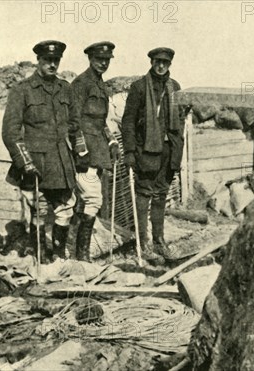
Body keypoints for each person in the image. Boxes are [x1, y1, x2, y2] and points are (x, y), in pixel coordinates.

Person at [2, 40, 79, 262]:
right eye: (48, 60)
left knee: (65, 209)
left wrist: (80, 153)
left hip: (61, 163)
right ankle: (39, 256)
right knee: (39, 211)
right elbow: (10, 131)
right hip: (35, 163)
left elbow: (74, 125)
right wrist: (24, 162)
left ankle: (57, 256)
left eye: (56, 60)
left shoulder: (65, 89)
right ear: (39, 60)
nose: (52, 64)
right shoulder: (22, 90)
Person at [121, 47, 184, 264]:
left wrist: (178, 150)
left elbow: (180, 121)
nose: (160, 66)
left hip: (168, 149)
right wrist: (129, 151)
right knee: (144, 193)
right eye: (157, 61)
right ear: (151, 62)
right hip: (146, 150)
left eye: (164, 63)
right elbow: (128, 121)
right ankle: (143, 243)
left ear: (170, 64)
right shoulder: (139, 87)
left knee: (161, 195)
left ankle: (159, 241)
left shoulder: (174, 88)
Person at [70, 41, 120, 261]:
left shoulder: (101, 85)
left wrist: (112, 142)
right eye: (99, 59)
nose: (103, 63)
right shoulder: (81, 84)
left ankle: (80, 253)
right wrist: (81, 150)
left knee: (88, 200)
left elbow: (101, 121)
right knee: (92, 200)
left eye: (106, 60)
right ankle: (80, 255)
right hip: (86, 152)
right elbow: (74, 121)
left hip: (98, 149)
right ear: (90, 59)